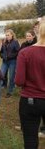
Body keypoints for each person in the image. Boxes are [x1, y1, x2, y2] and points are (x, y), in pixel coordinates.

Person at [15, 20, 45, 149]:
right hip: (33, 98)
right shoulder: (25, 51)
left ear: (38, 32)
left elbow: (19, 81)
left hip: (30, 100)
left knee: (30, 139)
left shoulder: (25, 52)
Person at [0, 29, 20, 98]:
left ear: (12, 35)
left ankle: (10, 91)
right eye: (6, 35)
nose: (7, 36)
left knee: (11, 77)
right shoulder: (4, 42)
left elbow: (18, 52)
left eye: (8, 35)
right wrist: (2, 56)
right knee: (1, 74)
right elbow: (1, 51)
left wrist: (10, 56)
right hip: (5, 62)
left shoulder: (15, 42)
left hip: (12, 62)